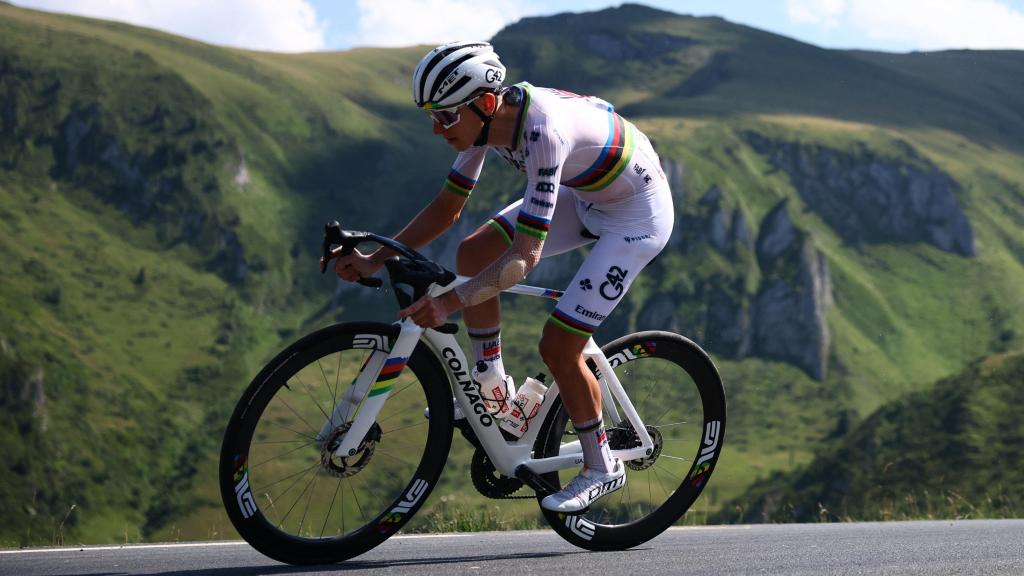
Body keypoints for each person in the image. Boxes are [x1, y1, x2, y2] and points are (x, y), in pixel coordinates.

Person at [333, 41, 673, 513]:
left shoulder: (542, 132)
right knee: (474, 252)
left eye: (446, 117)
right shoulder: (482, 125)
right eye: (432, 117)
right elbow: (448, 208)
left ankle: (601, 466)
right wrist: (374, 257)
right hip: (586, 194)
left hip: (635, 216)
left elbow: (524, 256)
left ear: (486, 103)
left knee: (559, 345)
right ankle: (492, 389)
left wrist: (450, 303)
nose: (437, 129)